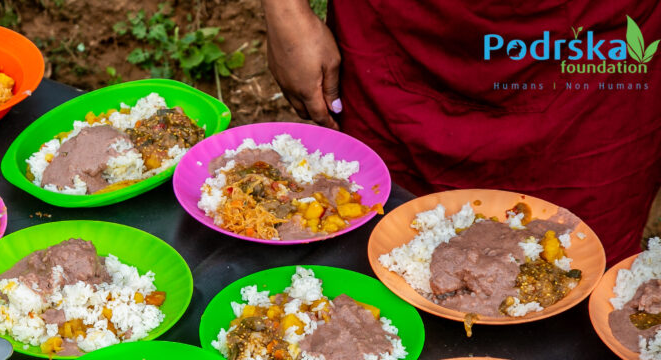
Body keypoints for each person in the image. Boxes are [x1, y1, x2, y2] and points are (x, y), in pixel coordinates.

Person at [262, 0, 661, 263]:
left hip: (594, 53)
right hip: (399, 35)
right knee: (382, 250)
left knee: (580, 271)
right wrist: (286, 12)